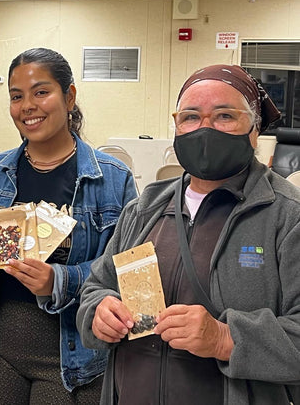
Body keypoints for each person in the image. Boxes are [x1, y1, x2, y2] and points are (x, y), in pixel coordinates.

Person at [76, 64, 300, 405]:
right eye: (190, 117)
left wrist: (226, 338)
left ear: (255, 130)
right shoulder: (145, 208)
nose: (204, 129)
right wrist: (98, 313)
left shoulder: (286, 216)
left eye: (225, 116)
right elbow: (96, 287)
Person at [0, 47, 137, 404]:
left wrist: (59, 281)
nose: (27, 106)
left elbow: (125, 270)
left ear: (69, 97)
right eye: (16, 97)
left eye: (41, 92)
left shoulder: (113, 179)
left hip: (72, 352)